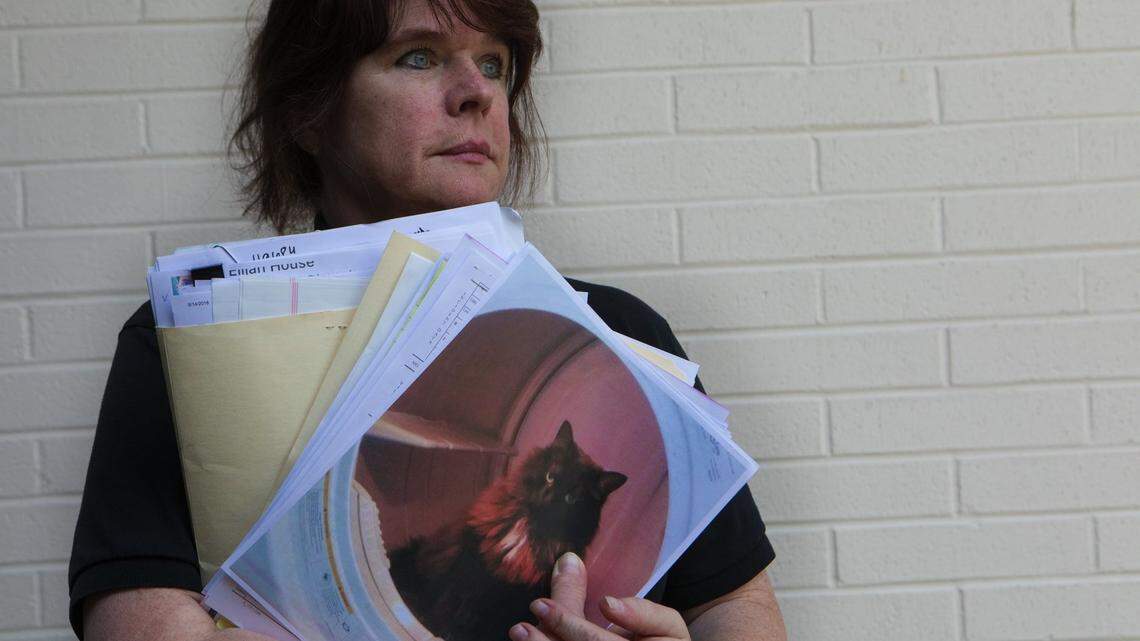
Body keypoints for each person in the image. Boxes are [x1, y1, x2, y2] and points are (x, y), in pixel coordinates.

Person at [68, 0, 787, 639]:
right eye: (419, 56)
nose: (477, 92)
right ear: (310, 110)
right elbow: (139, 617)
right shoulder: (188, 337)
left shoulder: (626, 331)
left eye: (495, 65)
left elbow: (739, 609)